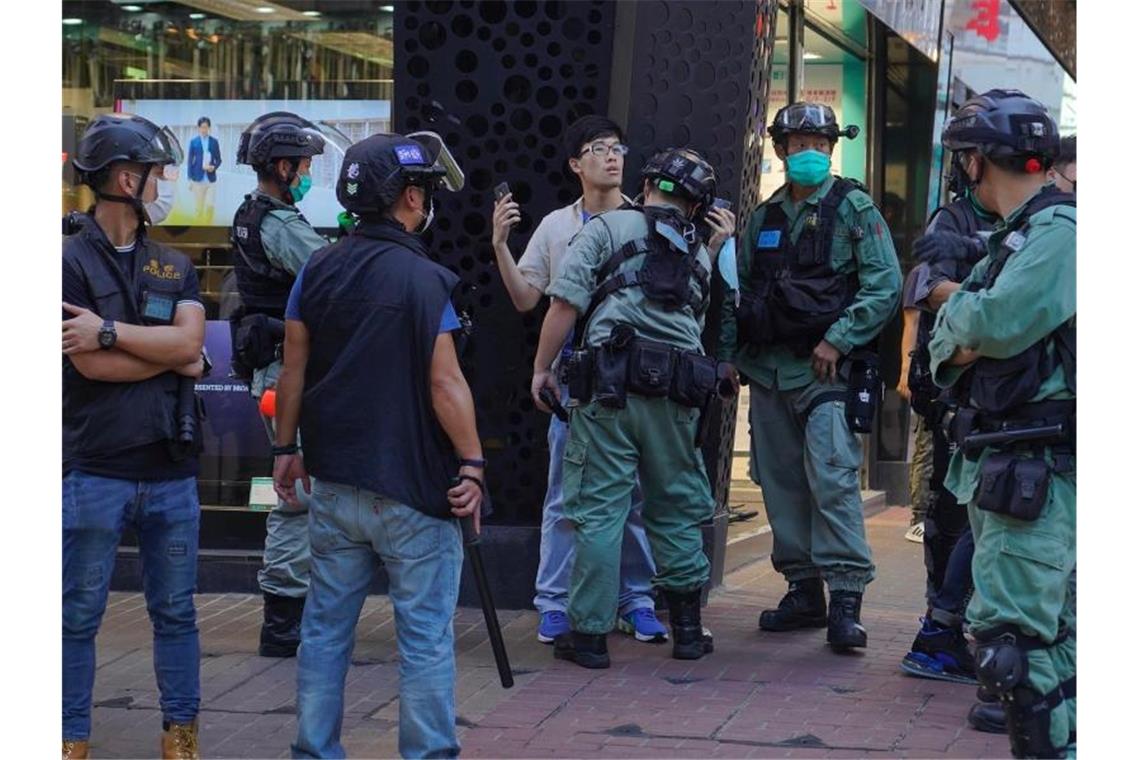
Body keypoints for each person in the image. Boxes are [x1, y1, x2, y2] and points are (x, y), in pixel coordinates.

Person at [272, 131, 481, 759]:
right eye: (425, 192)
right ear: (410, 196)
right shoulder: (425, 280)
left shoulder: (316, 268)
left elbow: (293, 368)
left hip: (334, 485)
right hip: (415, 491)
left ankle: (314, 751)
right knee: (423, 638)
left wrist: (285, 450)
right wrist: (473, 460)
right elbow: (446, 383)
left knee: (325, 632)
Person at [531, 147, 738, 669]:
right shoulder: (701, 254)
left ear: (647, 185)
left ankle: (590, 638)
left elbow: (564, 303)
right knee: (673, 509)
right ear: (695, 205)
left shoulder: (604, 228)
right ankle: (688, 632)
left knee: (600, 511)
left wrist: (541, 369)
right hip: (678, 397)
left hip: (609, 392)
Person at [927, 89, 1075, 758]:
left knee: (1014, 651)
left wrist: (962, 315)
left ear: (979, 162)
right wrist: (966, 323)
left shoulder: (1059, 234)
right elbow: (951, 344)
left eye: (966, 159)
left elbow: (992, 323)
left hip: (1040, 472)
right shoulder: (1018, 236)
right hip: (1012, 469)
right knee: (1049, 647)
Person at [724, 102, 902, 652]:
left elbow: (885, 285)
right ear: (780, 150)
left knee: (832, 479)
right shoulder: (763, 217)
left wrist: (838, 338)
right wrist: (729, 356)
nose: (809, 153)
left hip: (827, 371)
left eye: (819, 144)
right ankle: (803, 591)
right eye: (799, 143)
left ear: (832, 149)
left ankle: (846, 600)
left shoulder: (854, 208)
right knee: (779, 483)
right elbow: (742, 294)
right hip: (770, 373)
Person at [490, 115, 665, 645]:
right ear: (575, 163)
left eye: (618, 147)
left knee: (634, 494)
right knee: (565, 493)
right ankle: (554, 603)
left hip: (637, 377)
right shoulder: (557, 226)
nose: (613, 156)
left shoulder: (651, 221)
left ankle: (636, 599)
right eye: (598, 148)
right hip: (576, 378)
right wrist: (500, 244)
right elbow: (527, 299)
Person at [62, 113, 206, 760]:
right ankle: (70, 739)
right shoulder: (62, 262)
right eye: (156, 172)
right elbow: (86, 362)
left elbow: (195, 345)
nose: (162, 183)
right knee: (76, 616)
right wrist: (169, 352)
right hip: (94, 470)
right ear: (126, 177)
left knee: (176, 613)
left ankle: (181, 737)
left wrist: (112, 332)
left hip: (171, 474)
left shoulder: (174, 264)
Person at [230, 111, 330, 658]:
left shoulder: (252, 214)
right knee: (296, 495)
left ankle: (295, 609)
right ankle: (285, 621)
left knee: (300, 489)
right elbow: (329, 275)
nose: (309, 173)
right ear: (284, 167)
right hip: (285, 375)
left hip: (274, 372)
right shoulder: (279, 224)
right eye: (306, 165)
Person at [898, 158, 997, 687]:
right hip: (954, 391)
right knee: (954, 511)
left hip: (999, 396)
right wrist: (999, 302)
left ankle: (955, 624)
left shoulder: (1038, 221)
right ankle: (941, 625)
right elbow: (924, 291)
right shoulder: (952, 219)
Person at [898, 266, 932, 543]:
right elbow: (912, 321)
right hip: (927, 370)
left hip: (955, 369)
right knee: (926, 443)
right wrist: (906, 369)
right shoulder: (922, 272)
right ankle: (919, 516)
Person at [187, 116, 222, 221]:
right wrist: (190, 179)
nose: (204, 130)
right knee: (199, 208)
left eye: (206, 127)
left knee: (210, 205)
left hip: (211, 179)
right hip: (198, 179)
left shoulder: (214, 142)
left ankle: (209, 226)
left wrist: (214, 167)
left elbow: (219, 159)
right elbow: (189, 161)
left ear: (209, 128)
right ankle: (199, 230)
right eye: (202, 127)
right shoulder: (194, 142)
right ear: (198, 128)